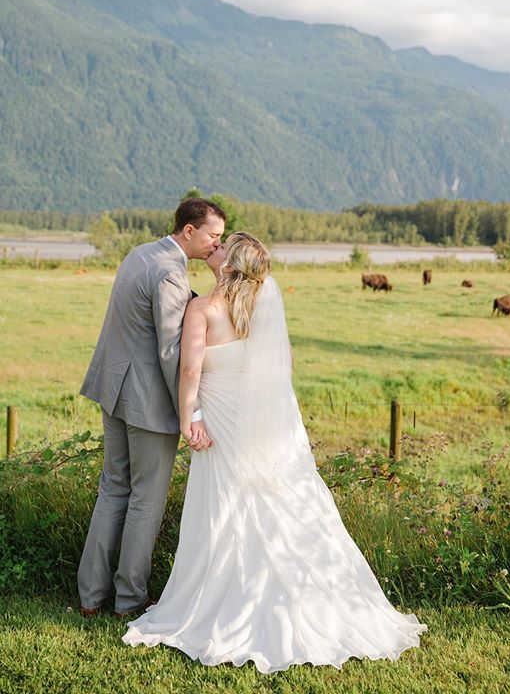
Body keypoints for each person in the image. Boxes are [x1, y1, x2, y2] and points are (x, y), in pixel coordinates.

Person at [122, 232, 426, 672]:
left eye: (223, 247)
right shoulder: (262, 305)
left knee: (225, 508)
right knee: (285, 503)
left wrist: (191, 417)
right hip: (261, 422)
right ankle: (307, 595)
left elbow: (190, 369)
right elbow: (283, 364)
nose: (216, 249)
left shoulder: (202, 309)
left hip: (221, 422)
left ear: (228, 265)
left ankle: (229, 601)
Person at [77, 198, 226, 617]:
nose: (217, 243)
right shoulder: (170, 275)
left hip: (114, 389)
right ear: (189, 231)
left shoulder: (141, 253)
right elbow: (170, 351)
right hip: (146, 403)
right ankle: (130, 598)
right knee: (146, 499)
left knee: (113, 489)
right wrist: (189, 412)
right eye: (213, 235)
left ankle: (90, 596)